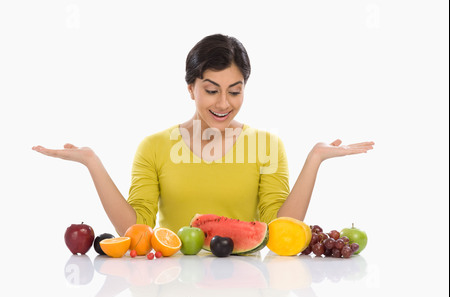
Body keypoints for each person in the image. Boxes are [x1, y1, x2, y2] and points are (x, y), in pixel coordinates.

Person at [32, 34, 374, 236]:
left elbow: (277, 227)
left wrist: (314, 159)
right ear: (191, 88)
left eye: (235, 91)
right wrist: (92, 162)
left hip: (251, 286)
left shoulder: (267, 145)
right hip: (167, 283)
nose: (224, 103)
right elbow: (135, 228)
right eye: (211, 90)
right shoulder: (154, 147)